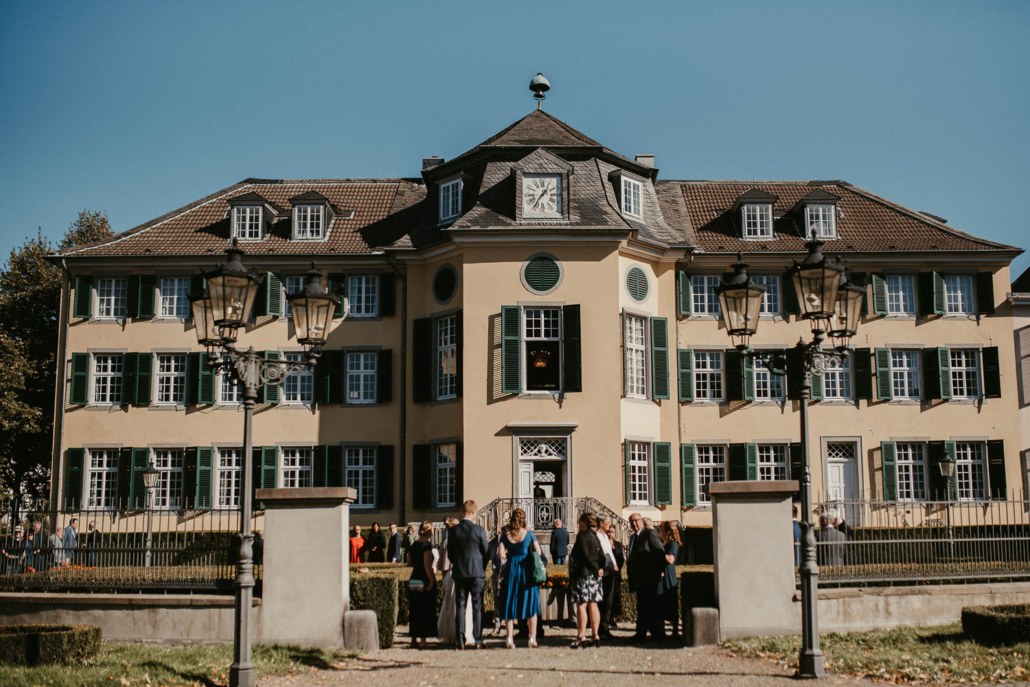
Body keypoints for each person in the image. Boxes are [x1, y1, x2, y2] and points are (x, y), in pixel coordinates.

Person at [447, 500, 489, 649]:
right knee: (477, 607)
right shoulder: (478, 530)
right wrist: (481, 567)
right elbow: (486, 551)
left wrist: (457, 563)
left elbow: (450, 553)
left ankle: (460, 641)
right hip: (477, 572)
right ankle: (478, 640)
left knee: (461, 606)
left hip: (460, 572)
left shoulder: (453, 531)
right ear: (473, 512)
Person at [498, 508, 542, 648]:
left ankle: (509, 638)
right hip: (526, 569)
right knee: (530, 602)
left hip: (512, 569)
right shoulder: (529, 534)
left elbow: (502, 555)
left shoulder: (505, 535)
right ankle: (532, 638)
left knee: (510, 601)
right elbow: (539, 552)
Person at [626, 513, 666, 642]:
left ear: (642, 521)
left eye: (636, 521)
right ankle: (642, 634)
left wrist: (659, 570)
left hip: (649, 577)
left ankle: (656, 634)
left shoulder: (649, 533)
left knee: (650, 606)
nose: (634, 524)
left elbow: (659, 552)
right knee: (642, 606)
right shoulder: (633, 537)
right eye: (631, 521)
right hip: (639, 578)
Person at [568, 512, 606, 648]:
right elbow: (602, 556)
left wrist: (595, 568)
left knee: (581, 605)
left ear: (584, 522)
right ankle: (595, 635)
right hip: (595, 576)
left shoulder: (582, 536)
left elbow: (584, 555)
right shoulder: (595, 536)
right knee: (593, 604)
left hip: (583, 574)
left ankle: (581, 636)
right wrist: (600, 568)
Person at [437, 517, 475, 646]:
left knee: (450, 605)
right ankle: (464, 633)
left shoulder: (446, 542)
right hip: (461, 573)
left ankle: (451, 635)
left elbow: (442, 565)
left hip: (449, 575)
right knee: (464, 605)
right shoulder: (463, 541)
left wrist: (443, 580)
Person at [406, 521, 437, 648]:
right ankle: (423, 640)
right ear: (430, 531)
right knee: (425, 609)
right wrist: (432, 580)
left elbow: (409, 562)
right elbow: (427, 565)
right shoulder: (427, 546)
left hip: (414, 577)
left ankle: (413, 639)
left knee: (414, 609)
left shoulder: (414, 544)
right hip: (424, 578)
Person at [597, 516, 621, 637]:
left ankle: (605, 627)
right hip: (604, 573)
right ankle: (601, 628)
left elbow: (610, 553)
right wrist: (610, 567)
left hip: (610, 573)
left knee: (608, 602)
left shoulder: (606, 536)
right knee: (603, 602)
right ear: (601, 524)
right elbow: (601, 555)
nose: (609, 525)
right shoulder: (597, 537)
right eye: (607, 523)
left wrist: (615, 565)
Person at [657, 521, 682, 641]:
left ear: (667, 532)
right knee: (660, 601)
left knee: (670, 599)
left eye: (661, 529)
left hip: (668, 574)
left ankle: (675, 631)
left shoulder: (673, 544)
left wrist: (658, 552)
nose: (659, 531)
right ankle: (661, 631)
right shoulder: (664, 543)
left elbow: (670, 559)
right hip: (662, 574)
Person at [487, 532, 504, 636]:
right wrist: (496, 573)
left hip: (509, 577)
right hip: (499, 578)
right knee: (498, 603)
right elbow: (494, 561)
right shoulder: (498, 547)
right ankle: (497, 626)